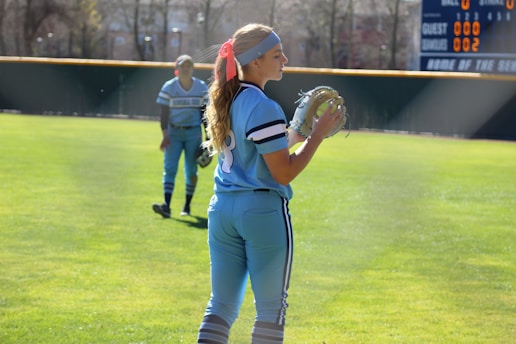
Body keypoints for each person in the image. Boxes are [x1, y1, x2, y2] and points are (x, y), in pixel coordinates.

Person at [196, 24, 344, 344]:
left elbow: (261, 150)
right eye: (277, 55)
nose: (285, 60)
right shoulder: (263, 105)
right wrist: (316, 136)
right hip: (261, 212)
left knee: (220, 305)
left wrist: (299, 133)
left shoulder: (229, 98)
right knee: (270, 310)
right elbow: (283, 172)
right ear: (255, 62)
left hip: (223, 210)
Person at [152, 54, 208, 218]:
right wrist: (165, 135)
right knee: (169, 168)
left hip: (193, 133)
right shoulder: (169, 87)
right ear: (177, 68)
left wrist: (207, 138)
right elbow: (163, 114)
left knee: (191, 170)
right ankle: (167, 206)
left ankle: (187, 206)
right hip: (174, 132)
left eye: (188, 66)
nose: (185, 68)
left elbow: (205, 113)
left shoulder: (201, 87)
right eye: (182, 66)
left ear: (192, 68)